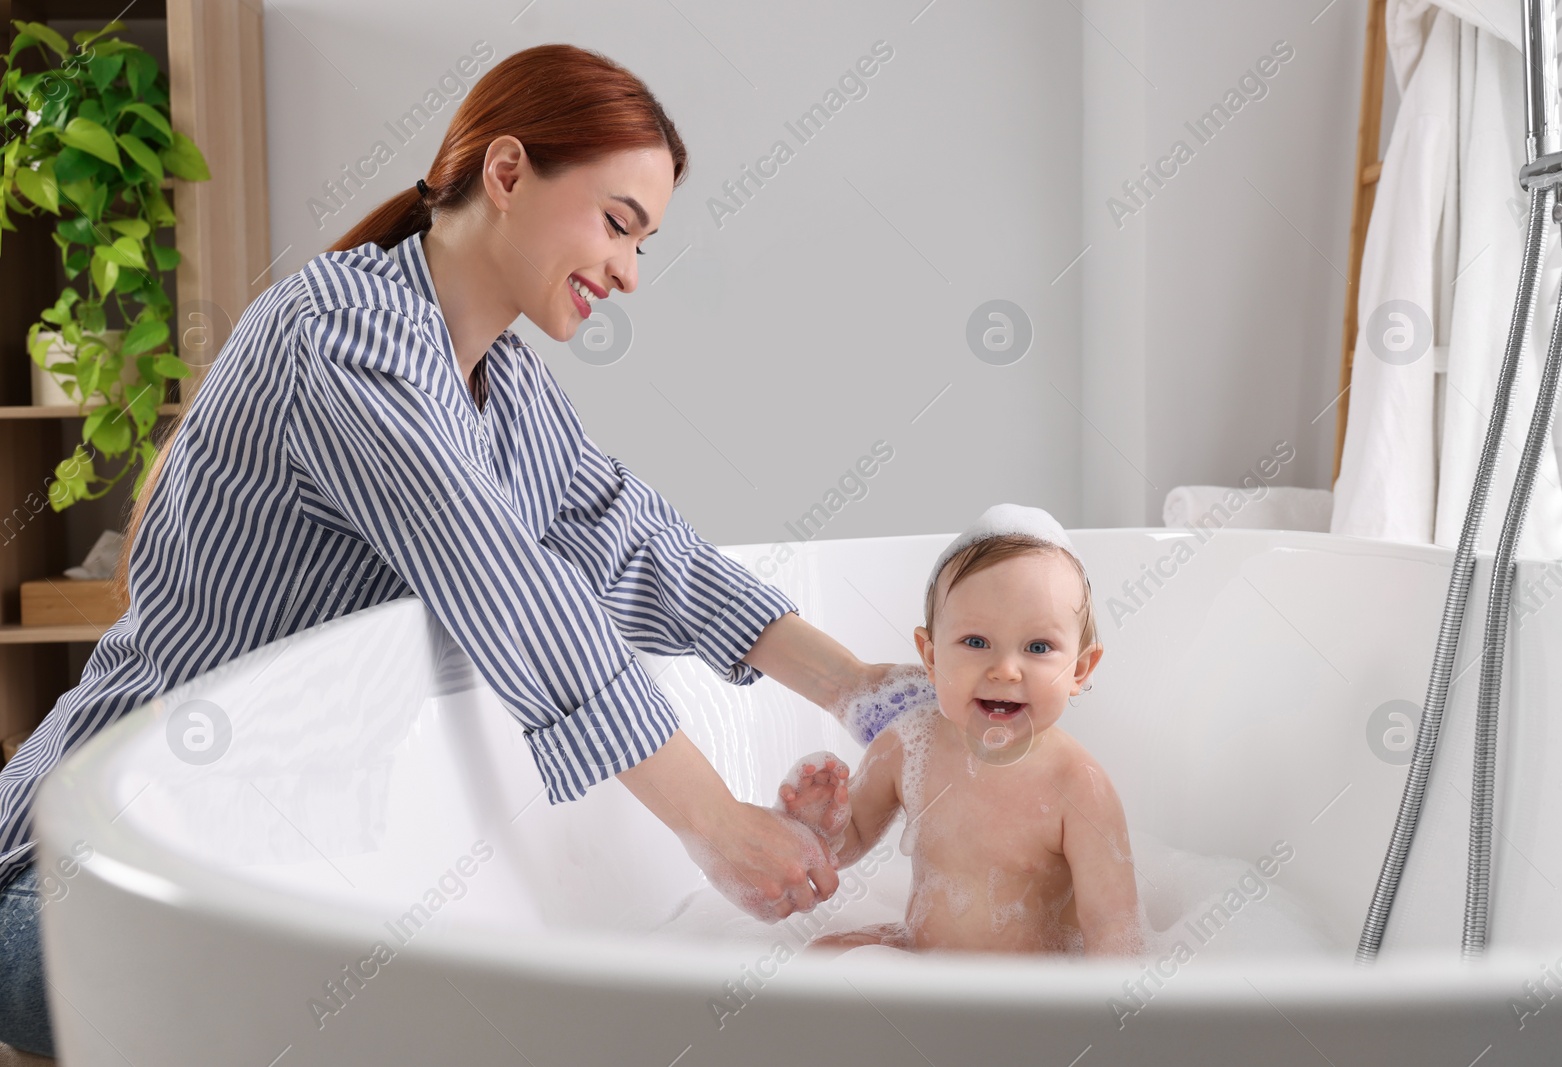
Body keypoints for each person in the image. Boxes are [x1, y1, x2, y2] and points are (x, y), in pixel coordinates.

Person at [0, 44, 896, 1057]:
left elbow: (641, 544)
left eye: (644, 243)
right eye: (617, 225)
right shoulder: (341, 336)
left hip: (272, 867)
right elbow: (509, 585)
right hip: (80, 882)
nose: (629, 274)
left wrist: (865, 690)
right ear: (506, 173)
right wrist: (711, 823)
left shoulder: (499, 382)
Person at [777, 504, 1144, 955]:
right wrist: (821, 824)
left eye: (1038, 646)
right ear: (931, 658)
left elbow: (1113, 928)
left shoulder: (1079, 787)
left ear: (1080, 669)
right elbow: (849, 841)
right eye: (976, 642)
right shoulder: (908, 746)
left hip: (1035, 985)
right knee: (817, 957)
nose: (1005, 670)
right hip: (923, 957)